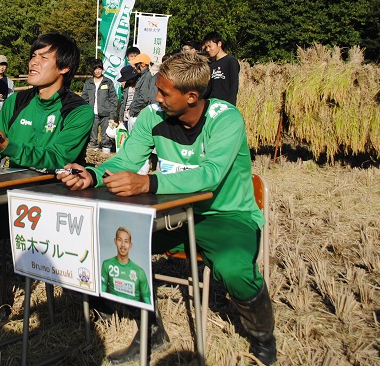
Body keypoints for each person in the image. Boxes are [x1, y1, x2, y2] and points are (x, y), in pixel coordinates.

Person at [56, 51, 276, 365]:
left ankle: (262, 337)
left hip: (225, 215)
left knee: (235, 269)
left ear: (191, 96)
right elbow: (126, 161)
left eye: (163, 93)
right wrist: (91, 175)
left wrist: (148, 183)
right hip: (172, 213)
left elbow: (210, 175)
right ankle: (152, 330)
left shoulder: (226, 119)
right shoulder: (152, 117)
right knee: (118, 247)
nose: (156, 99)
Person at [0, 32, 94, 332]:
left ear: (63, 68)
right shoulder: (17, 100)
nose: (33, 63)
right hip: (12, 191)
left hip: (52, 199)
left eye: (43, 58)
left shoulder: (78, 110)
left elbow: (56, 158)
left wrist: (6, 147)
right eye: (33, 56)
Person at [101, 227, 151, 304]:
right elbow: (102, 292)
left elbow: (148, 302)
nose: (123, 245)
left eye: (126, 241)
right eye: (120, 240)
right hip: (114, 311)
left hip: (133, 313)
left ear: (130, 245)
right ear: (115, 241)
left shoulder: (140, 272)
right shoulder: (107, 264)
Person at [81, 59, 117, 153]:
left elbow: (113, 99)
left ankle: (106, 149)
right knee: (93, 134)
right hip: (92, 113)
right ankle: (93, 147)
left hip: (106, 113)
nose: (97, 71)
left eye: (99, 68)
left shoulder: (108, 82)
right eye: (95, 69)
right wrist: (86, 112)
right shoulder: (88, 83)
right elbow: (84, 98)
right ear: (92, 70)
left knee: (106, 135)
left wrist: (112, 115)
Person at [202, 31, 240, 106]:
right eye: (206, 47)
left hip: (225, 105)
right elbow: (209, 87)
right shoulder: (211, 64)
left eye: (210, 46)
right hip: (212, 104)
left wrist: (231, 106)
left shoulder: (230, 61)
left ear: (219, 44)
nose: (207, 50)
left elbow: (234, 85)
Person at [127, 53, 156, 130]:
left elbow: (143, 98)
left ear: (142, 64)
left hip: (139, 114)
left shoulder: (146, 77)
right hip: (137, 113)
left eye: (136, 65)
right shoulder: (143, 76)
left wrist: (133, 110)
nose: (135, 68)